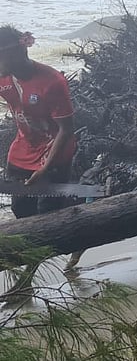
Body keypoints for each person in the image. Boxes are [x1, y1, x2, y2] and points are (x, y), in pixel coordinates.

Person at [0, 26, 84, 270]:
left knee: (48, 215)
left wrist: (45, 168)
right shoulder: (4, 75)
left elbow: (66, 130)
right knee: (20, 209)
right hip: (23, 150)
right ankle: (76, 221)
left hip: (54, 153)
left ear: (16, 52)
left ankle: (28, 278)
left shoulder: (51, 81)